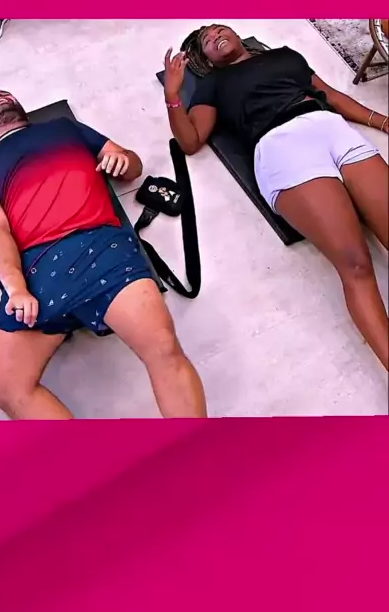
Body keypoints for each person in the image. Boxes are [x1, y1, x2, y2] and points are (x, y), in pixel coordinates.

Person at [0, 89, 207, 419]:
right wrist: (17, 288)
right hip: (37, 269)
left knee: (163, 347)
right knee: (6, 387)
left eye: (3, 94)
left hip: (101, 246)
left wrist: (123, 161)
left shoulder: (63, 128)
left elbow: (132, 165)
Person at [164, 24, 389, 370]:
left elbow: (330, 95)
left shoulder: (285, 56)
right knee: (355, 262)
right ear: (204, 60)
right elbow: (191, 141)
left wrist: (381, 121)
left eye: (219, 29)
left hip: (329, 128)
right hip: (281, 145)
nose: (215, 36)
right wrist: (173, 96)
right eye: (207, 41)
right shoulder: (213, 84)